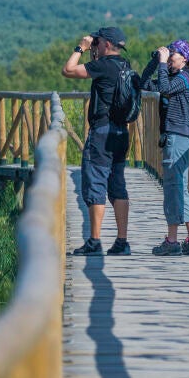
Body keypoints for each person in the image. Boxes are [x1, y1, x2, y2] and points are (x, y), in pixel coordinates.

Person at [61, 26, 133, 255]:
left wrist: (80, 48)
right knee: (117, 185)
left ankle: (94, 241)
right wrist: (94, 53)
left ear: (107, 44)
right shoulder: (125, 66)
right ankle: (122, 241)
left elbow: (68, 70)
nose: (95, 44)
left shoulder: (103, 66)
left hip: (102, 132)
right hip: (121, 133)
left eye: (98, 42)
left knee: (96, 183)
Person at [140, 39, 189, 255]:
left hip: (177, 137)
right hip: (177, 136)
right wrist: (155, 61)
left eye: (172, 54)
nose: (169, 58)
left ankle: (172, 240)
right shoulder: (176, 77)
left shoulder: (185, 77)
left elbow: (164, 88)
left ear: (184, 58)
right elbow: (143, 84)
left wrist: (161, 64)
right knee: (180, 187)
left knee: (172, 188)